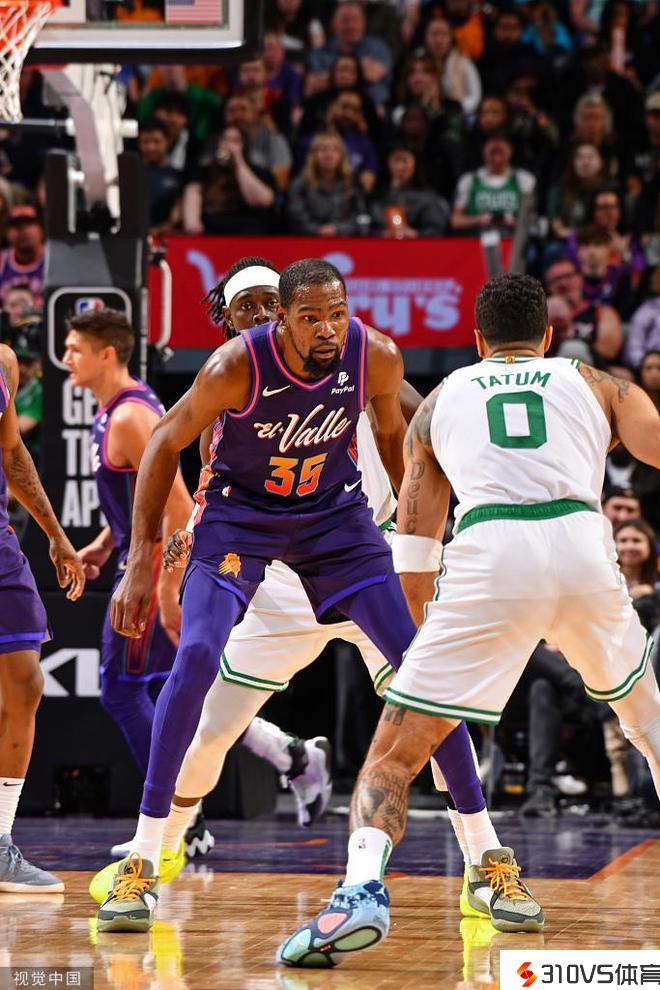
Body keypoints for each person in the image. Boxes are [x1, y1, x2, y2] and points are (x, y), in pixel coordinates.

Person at [96, 258, 501, 933]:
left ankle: (485, 857)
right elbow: (171, 451)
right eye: (254, 308)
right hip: (257, 549)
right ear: (257, 319)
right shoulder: (232, 372)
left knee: (426, 676)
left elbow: (413, 436)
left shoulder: (369, 357)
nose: (321, 327)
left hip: (346, 533)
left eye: (331, 314)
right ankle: (151, 853)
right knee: (203, 691)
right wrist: (145, 562)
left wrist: (422, 548)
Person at [278, 272, 660, 966]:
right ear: (548, 336)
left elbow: (416, 549)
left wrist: (421, 655)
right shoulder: (597, 382)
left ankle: (360, 893)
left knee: (393, 755)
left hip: (491, 554)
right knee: (650, 727)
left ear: (478, 340)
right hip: (581, 546)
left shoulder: (441, 401)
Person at [0, 342, 84, 892]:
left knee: (26, 682)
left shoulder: (3, 361)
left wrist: (55, 534)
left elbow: (11, 454)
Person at [181, 126, 275, 237]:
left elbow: (262, 201)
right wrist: (192, 221)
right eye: (225, 139)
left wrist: (239, 163)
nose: (229, 145)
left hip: (248, 235)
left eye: (235, 141)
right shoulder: (204, 171)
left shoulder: (258, 172)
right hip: (212, 235)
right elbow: (193, 193)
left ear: (244, 145)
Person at [307, 1, 393, 109]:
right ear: (333, 23)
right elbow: (315, 83)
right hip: (329, 107)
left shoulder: (377, 47)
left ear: (364, 22)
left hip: (371, 108)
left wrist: (333, 74)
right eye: (345, 20)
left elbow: (374, 74)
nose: (351, 25)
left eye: (355, 20)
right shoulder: (320, 53)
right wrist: (361, 69)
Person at [544, 257, 623, 367]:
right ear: (548, 287)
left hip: (593, 369)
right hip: (551, 368)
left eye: (568, 276)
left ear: (580, 278)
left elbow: (609, 350)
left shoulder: (601, 312)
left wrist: (568, 340)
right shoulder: (541, 316)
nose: (563, 283)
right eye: (556, 280)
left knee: (573, 348)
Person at [451, 133, 536, 234]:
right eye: (493, 142)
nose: (497, 144)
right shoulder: (468, 180)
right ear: (484, 150)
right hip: (477, 237)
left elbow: (532, 221)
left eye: (501, 142)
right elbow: (456, 220)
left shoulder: (525, 179)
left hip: (512, 238)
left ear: (510, 150)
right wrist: (478, 220)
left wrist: (514, 221)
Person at [286, 133, 365, 236]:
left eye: (335, 150)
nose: (329, 154)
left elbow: (361, 217)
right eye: (323, 150)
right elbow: (295, 216)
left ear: (342, 156)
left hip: (343, 240)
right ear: (313, 155)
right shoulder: (299, 184)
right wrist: (317, 230)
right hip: (307, 239)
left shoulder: (352, 184)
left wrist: (337, 229)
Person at [370, 145, 448, 238]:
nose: (400, 167)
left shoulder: (428, 197)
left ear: (415, 164)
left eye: (405, 161)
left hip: (417, 245)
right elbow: (365, 228)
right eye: (396, 161)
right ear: (388, 164)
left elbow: (436, 230)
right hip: (381, 244)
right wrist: (381, 234)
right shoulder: (377, 196)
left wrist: (416, 234)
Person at [421, 17, 482, 117]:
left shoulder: (464, 62)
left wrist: (456, 108)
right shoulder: (416, 62)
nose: (439, 40)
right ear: (425, 37)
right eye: (434, 34)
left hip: (458, 114)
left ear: (451, 38)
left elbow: (475, 97)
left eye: (444, 34)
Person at [546, 143, 608, 241]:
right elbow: (557, 226)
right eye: (580, 157)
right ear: (572, 163)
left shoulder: (609, 189)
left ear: (600, 163)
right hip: (565, 241)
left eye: (590, 157)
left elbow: (606, 226)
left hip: (598, 241)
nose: (585, 162)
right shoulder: (559, 188)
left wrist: (576, 233)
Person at [137, 120, 184, 236]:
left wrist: (159, 230)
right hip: (132, 236)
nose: (151, 147)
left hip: (165, 238)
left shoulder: (177, 176)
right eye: (145, 142)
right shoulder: (129, 174)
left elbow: (177, 215)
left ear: (168, 142)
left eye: (156, 141)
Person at [0, 207, 45, 310]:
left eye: (29, 224)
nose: (23, 231)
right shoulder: (1, 261)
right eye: (16, 226)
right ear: (7, 233)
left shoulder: (55, 261)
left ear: (41, 229)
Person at [624, 269, 660, 368]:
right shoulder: (647, 310)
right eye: (654, 275)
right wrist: (645, 367)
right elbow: (634, 348)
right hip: (650, 366)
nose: (653, 279)